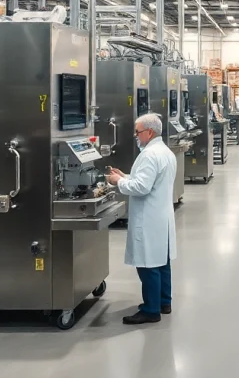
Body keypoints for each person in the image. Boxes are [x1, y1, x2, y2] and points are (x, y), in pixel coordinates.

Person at [107, 113, 178, 325]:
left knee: (148, 266)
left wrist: (117, 182)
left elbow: (142, 187)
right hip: (161, 216)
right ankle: (164, 302)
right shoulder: (164, 152)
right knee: (162, 262)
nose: (136, 136)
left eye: (138, 132)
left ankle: (150, 310)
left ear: (149, 132)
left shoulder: (149, 155)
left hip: (149, 217)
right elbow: (149, 180)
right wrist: (126, 176)